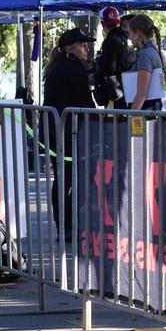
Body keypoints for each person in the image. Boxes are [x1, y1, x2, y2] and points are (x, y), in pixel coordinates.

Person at [43, 27, 95, 241]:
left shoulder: (62, 67)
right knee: (67, 179)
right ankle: (66, 226)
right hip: (65, 131)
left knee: (64, 178)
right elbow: (86, 102)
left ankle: (64, 225)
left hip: (60, 130)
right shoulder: (71, 68)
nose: (86, 49)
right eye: (83, 46)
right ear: (70, 49)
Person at [91, 6, 133, 108]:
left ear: (102, 24)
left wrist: (95, 75)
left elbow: (109, 69)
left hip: (114, 93)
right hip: (127, 89)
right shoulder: (126, 39)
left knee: (113, 122)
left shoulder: (110, 41)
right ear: (118, 22)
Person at [127, 15, 166, 110]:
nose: (129, 37)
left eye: (130, 33)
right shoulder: (152, 51)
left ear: (138, 33)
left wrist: (132, 118)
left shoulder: (145, 54)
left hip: (145, 112)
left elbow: (141, 94)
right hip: (151, 110)